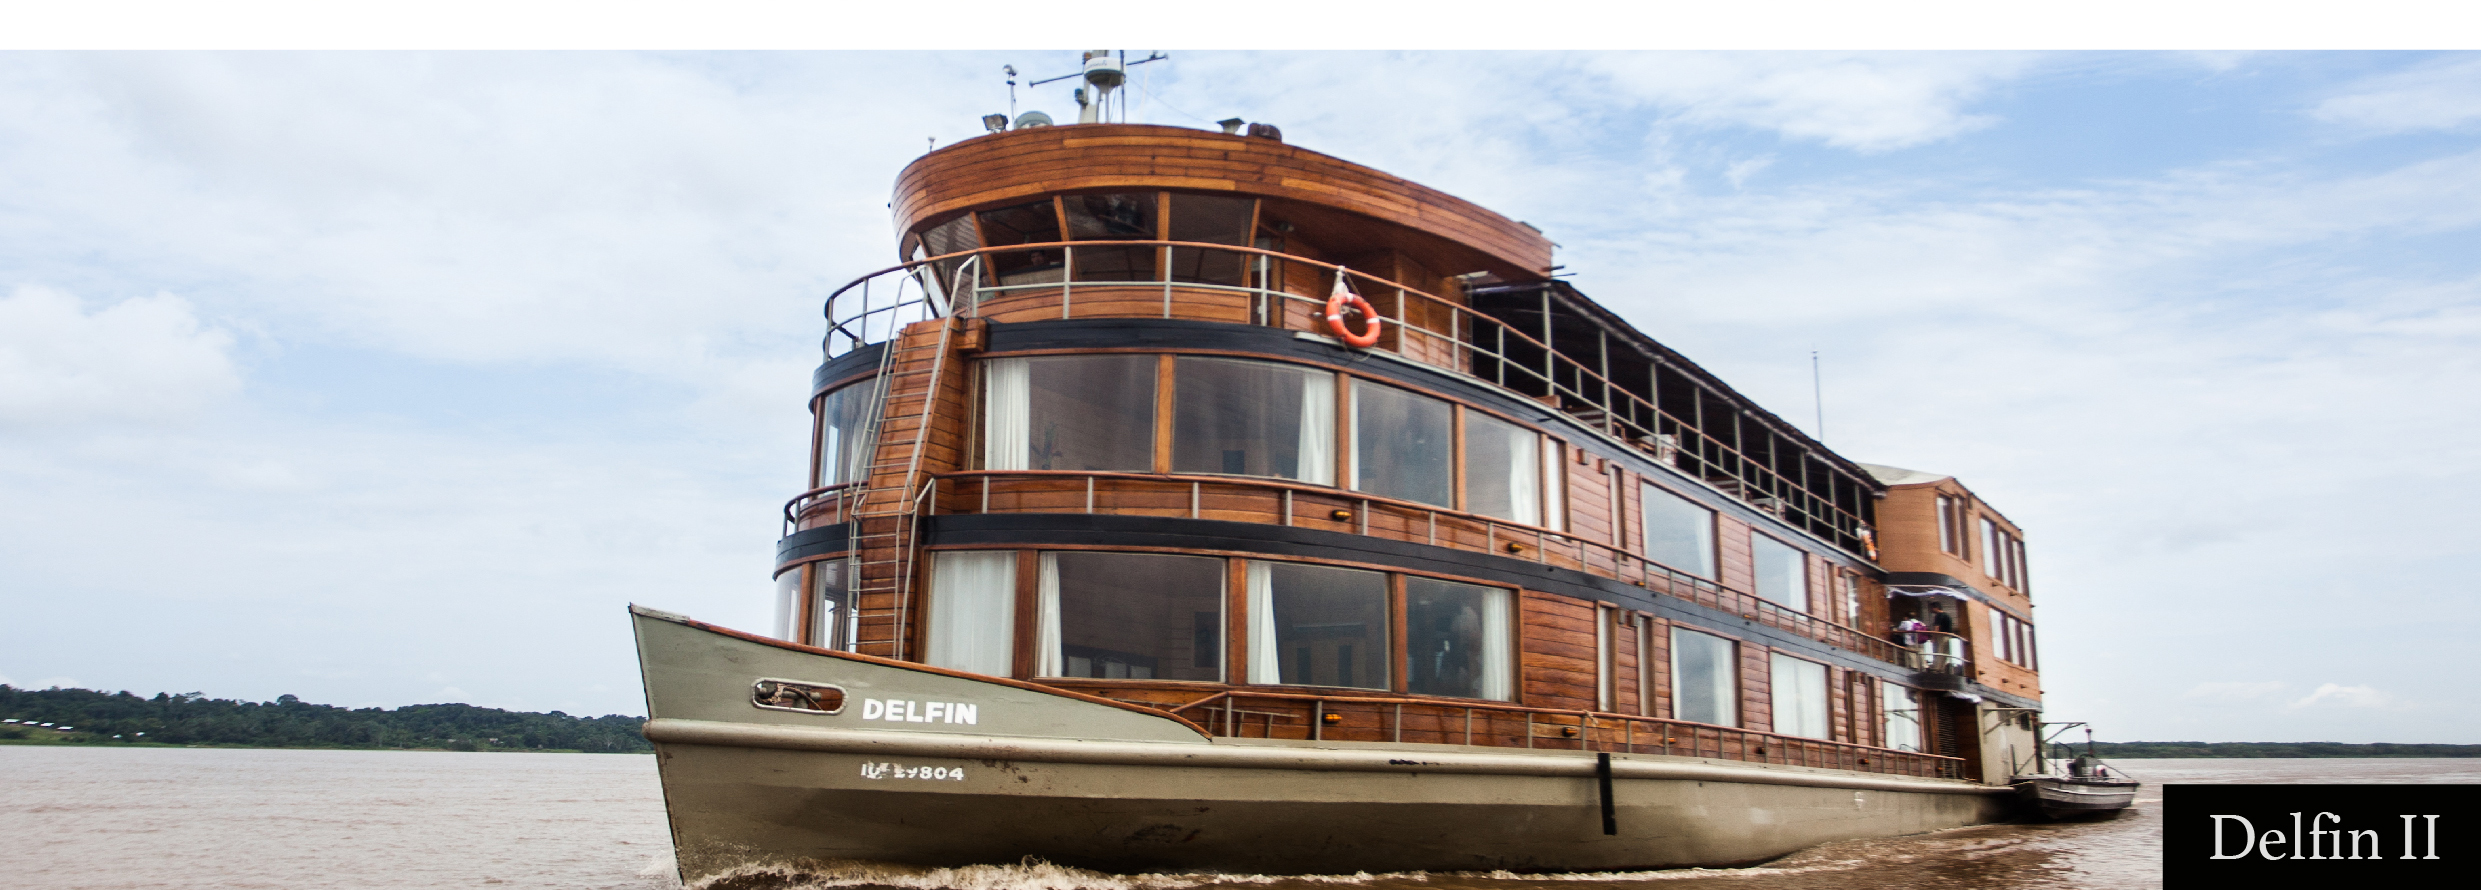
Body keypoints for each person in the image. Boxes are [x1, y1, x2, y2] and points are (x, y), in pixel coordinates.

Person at [1928, 602, 1959, 671]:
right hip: (1948, 636)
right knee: (1944, 652)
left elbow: (1937, 627)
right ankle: (1941, 667)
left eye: (1932, 608)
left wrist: (1933, 637)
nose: (1931, 610)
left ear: (1936, 608)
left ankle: (1937, 667)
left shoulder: (1939, 615)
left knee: (1939, 651)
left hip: (1941, 636)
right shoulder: (1947, 615)